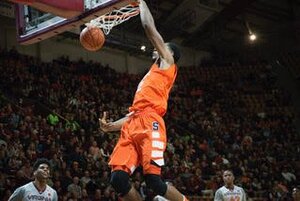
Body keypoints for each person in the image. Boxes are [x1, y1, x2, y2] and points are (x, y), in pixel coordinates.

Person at [99, 0, 187, 200]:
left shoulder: (168, 62)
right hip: (135, 122)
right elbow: (134, 115)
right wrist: (110, 126)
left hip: (151, 123)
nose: (157, 47)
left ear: (169, 52)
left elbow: (149, 27)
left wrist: (141, 3)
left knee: (154, 182)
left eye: (162, 46)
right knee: (117, 180)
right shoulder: (150, 74)